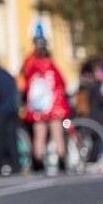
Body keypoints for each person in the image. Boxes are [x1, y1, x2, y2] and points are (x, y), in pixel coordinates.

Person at [20, 37, 70, 173]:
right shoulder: (52, 65)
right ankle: (62, 161)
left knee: (39, 136)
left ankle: (38, 163)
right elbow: (62, 83)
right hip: (55, 106)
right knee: (57, 135)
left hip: (38, 108)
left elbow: (25, 86)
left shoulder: (30, 66)